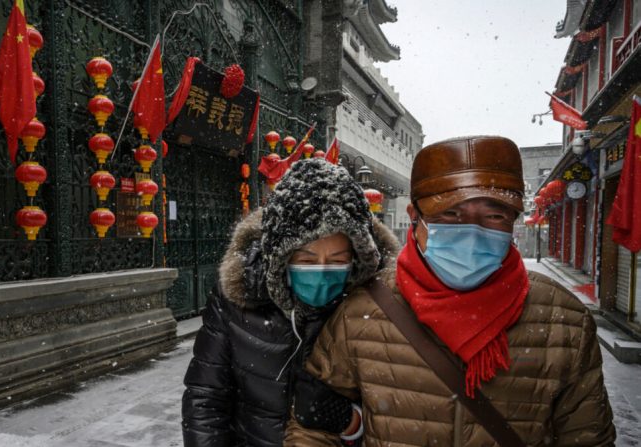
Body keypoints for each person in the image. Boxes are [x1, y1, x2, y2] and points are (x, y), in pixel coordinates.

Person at [285, 136, 616, 446]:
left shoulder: (565, 323)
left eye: (494, 215)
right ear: (416, 217)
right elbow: (312, 427)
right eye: (451, 213)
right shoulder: (362, 312)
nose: (471, 231)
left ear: (514, 221)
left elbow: (587, 437)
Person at [181, 158, 400, 446]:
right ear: (281, 257)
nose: (321, 271)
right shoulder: (237, 297)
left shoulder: (379, 307)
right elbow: (206, 398)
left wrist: (352, 422)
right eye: (307, 259)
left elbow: (405, 415)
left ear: (356, 258)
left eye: (337, 260)